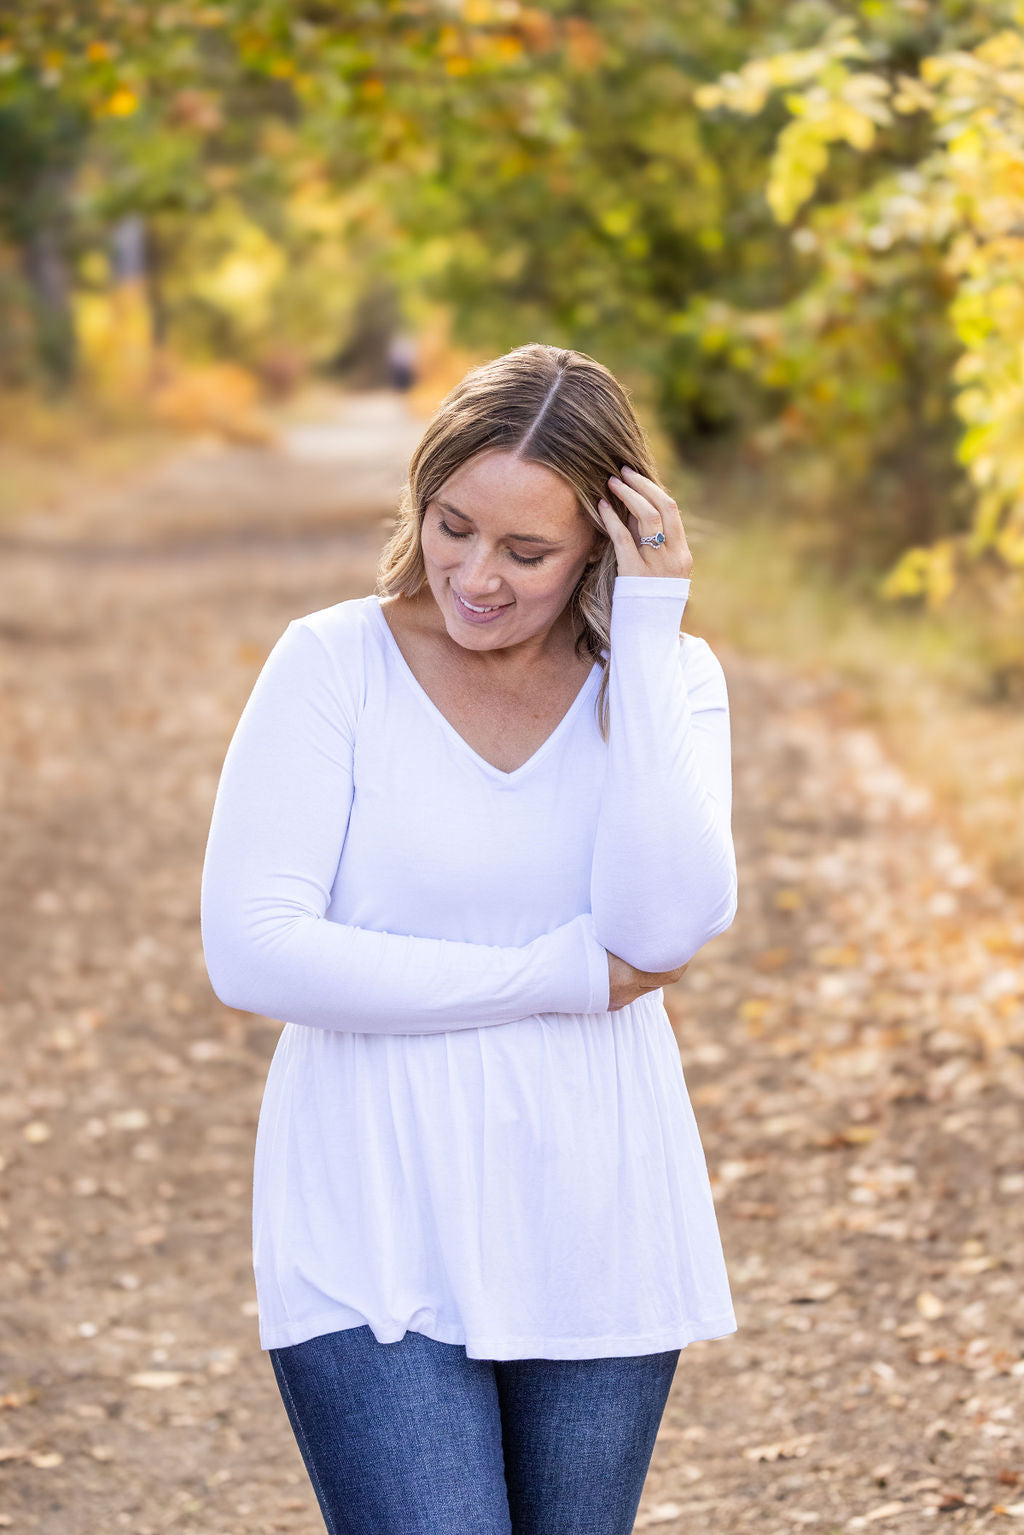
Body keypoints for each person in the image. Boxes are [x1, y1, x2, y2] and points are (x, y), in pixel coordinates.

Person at [199, 342, 740, 1535]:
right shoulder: (332, 665)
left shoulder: (668, 678)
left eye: (527, 550)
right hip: (370, 1210)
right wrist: (556, 972)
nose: (476, 575)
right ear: (420, 498)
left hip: (596, 1206)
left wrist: (647, 631)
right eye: (452, 526)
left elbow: (662, 926)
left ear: (600, 541)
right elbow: (255, 948)